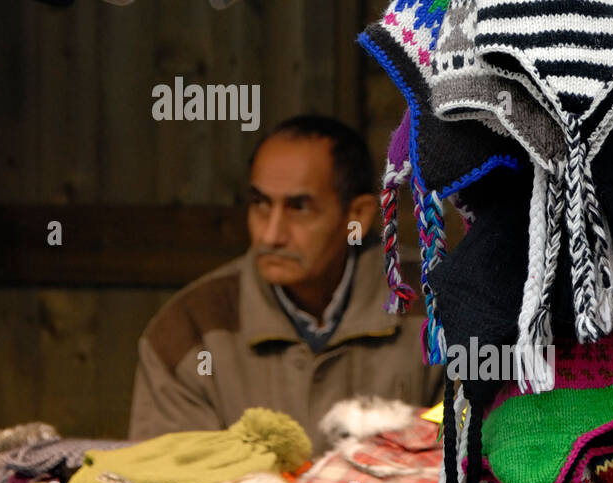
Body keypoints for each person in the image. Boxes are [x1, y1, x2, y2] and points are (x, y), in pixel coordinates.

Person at [128, 115, 440, 445]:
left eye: (299, 208)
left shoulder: (442, 309)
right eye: (261, 204)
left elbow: (469, 459)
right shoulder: (189, 332)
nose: (272, 234)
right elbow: (171, 482)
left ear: (357, 216)